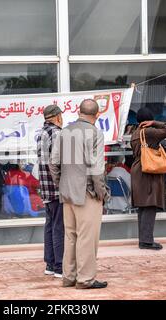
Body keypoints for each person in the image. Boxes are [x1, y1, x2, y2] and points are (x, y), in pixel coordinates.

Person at [50, 99, 110, 289]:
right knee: (87, 237)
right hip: (87, 192)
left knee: (71, 236)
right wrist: (102, 193)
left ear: (78, 111)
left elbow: (53, 163)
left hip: (67, 192)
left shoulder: (64, 131)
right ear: (97, 115)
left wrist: (61, 183)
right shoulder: (96, 133)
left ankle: (69, 277)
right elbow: (97, 168)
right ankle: (85, 279)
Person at [131, 107, 166, 250]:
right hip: (148, 171)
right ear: (148, 119)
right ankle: (147, 241)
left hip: (138, 170)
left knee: (143, 206)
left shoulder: (135, 132)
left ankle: (143, 239)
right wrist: (154, 123)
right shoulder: (148, 132)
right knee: (150, 205)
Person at [37, 104, 64, 278]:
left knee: (50, 225)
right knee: (59, 227)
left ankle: (50, 263)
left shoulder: (40, 133)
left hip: (45, 187)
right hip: (55, 187)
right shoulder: (57, 133)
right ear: (57, 116)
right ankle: (60, 266)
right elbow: (59, 162)